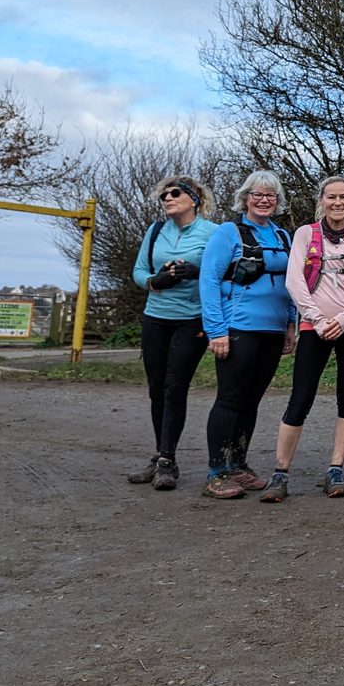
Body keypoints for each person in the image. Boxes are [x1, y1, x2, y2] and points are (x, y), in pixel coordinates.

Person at [262, 175, 344, 501]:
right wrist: (317, 319)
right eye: (331, 197)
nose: (338, 203)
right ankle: (280, 471)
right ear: (322, 199)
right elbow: (293, 281)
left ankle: (335, 469)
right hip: (313, 328)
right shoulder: (305, 234)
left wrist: (343, 320)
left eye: (343, 197)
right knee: (300, 397)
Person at [198, 171, 298, 499]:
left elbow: (293, 285)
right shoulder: (229, 233)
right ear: (246, 197)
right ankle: (216, 471)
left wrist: (291, 323)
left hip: (273, 329)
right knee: (230, 398)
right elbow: (209, 281)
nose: (264, 200)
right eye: (258, 194)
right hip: (238, 327)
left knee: (252, 400)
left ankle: (238, 464)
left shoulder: (284, 236)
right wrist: (216, 330)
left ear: (278, 200)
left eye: (271, 195)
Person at [127, 175, 219, 491]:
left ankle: (167, 460)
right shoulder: (155, 232)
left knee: (174, 387)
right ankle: (161, 454)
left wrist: (197, 272)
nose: (167, 198)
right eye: (163, 195)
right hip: (155, 318)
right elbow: (138, 271)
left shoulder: (214, 233)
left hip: (191, 320)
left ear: (194, 199)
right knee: (156, 389)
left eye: (174, 193)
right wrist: (155, 281)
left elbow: (224, 271)